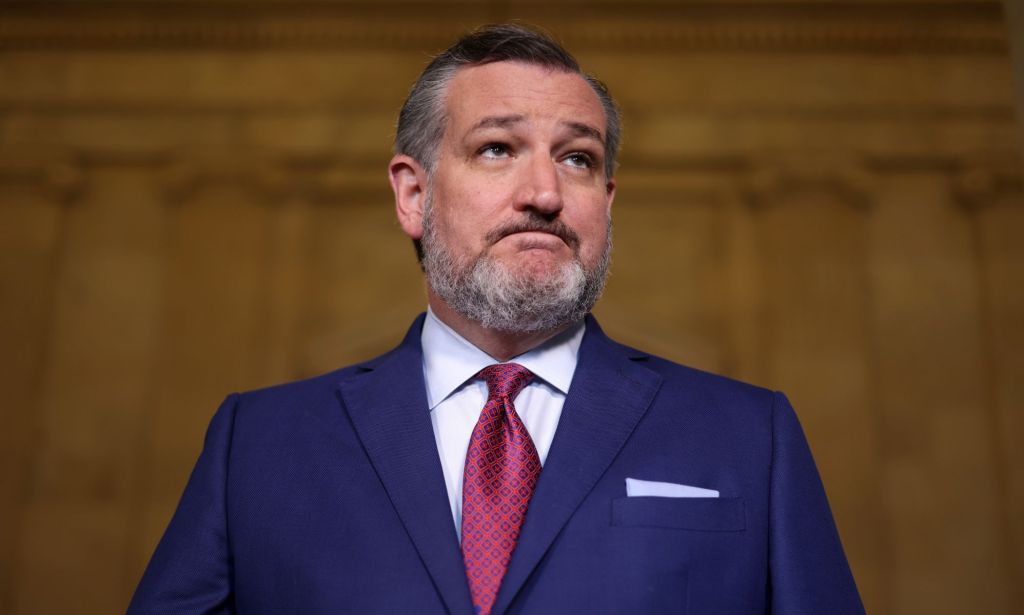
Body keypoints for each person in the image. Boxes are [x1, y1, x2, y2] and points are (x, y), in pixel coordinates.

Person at [128, 24, 864, 615]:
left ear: (607, 203)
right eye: (496, 149)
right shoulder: (258, 446)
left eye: (577, 159)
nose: (544, 192)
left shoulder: (751, 437)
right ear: (413, 196)